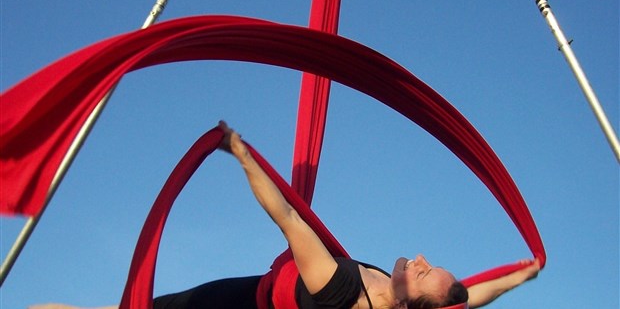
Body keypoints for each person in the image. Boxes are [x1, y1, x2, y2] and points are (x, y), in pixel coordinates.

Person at [30, 122, 540, 309]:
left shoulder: (341, 290)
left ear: (408, 303)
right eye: (429, 263)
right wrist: (526, 271)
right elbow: (476, 295)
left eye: (422, 272)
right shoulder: (398, 297)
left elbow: (288, 219)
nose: (421, 259)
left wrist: (239, 152)